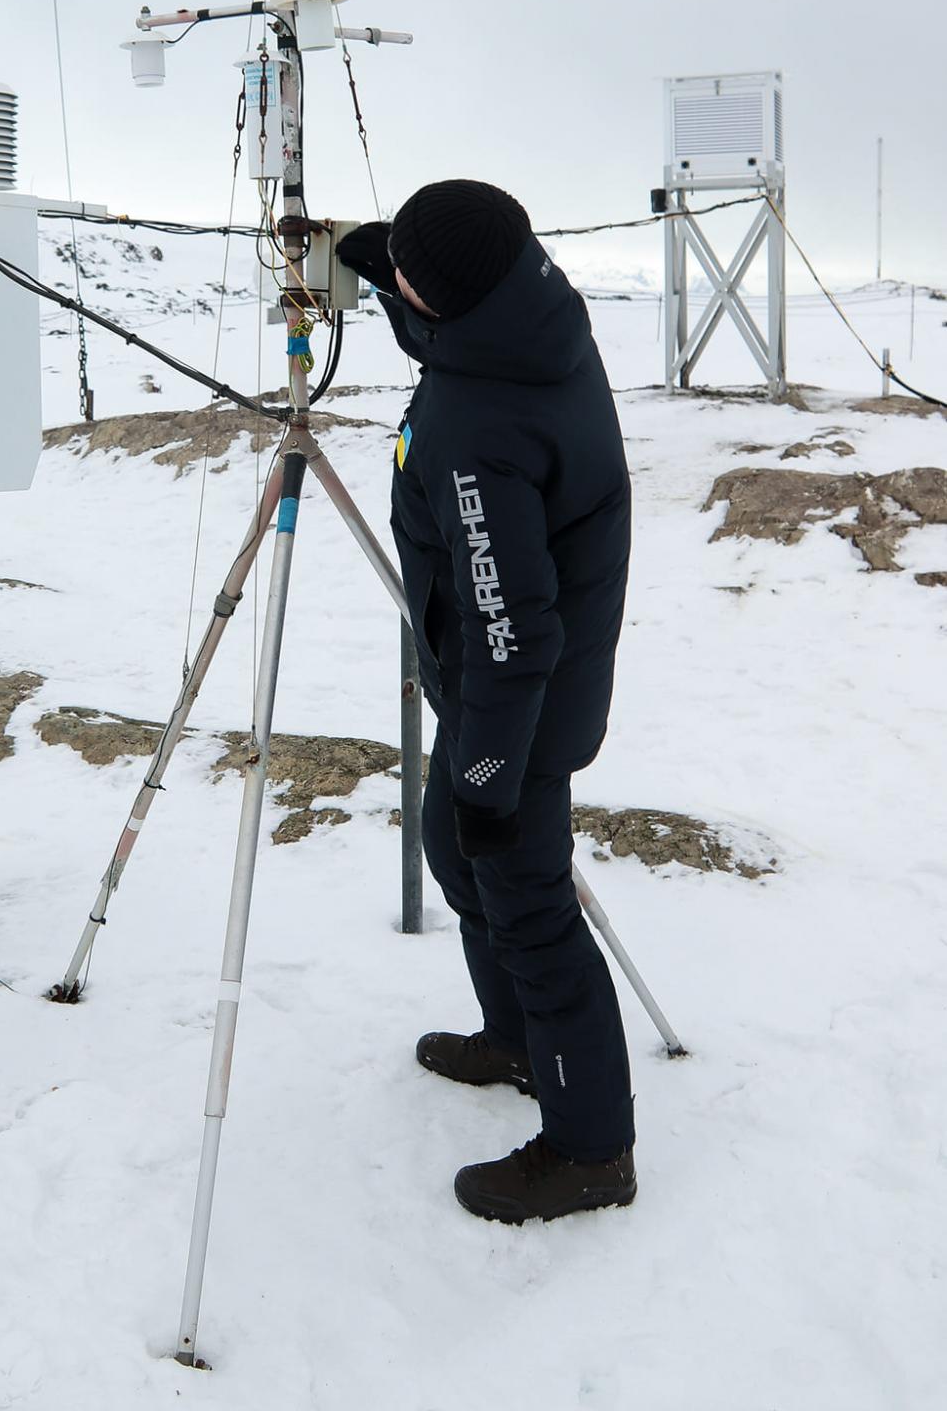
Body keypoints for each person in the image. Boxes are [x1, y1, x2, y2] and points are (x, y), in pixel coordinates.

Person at [336, 180, 636, 1224]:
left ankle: (590, 1147)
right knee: (453, 851)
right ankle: (515, 1039)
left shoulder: (478, 419)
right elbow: (432, 281)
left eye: (404, 279)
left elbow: (514, 630)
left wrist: (490, 775)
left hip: (519, 705)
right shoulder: (517, 319)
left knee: (524, 895)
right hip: (488, 686)